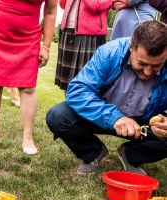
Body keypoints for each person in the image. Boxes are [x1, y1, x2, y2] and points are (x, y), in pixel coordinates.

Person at [46, 21, 167, 175]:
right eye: (142, 63)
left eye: (157, 65)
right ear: (131, 46)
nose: (148, 72)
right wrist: (115, 118)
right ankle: (93, 152)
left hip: (142, 124)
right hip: (101, 116)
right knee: (58, 116)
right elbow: (78, 91)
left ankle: (131, 156)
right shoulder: (110, 53)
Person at [0, 0, 57, 154]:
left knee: (28, 87)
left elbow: (50, 11)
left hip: (28, 36)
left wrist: (46, 46)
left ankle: (27, 137)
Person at [55, 0, 112, 92]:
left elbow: (96, 5)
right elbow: (62, 4)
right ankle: (69, 105)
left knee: (87, 82)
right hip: (68, 29)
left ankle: (84, 105)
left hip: (90, 33)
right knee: (68, 82)